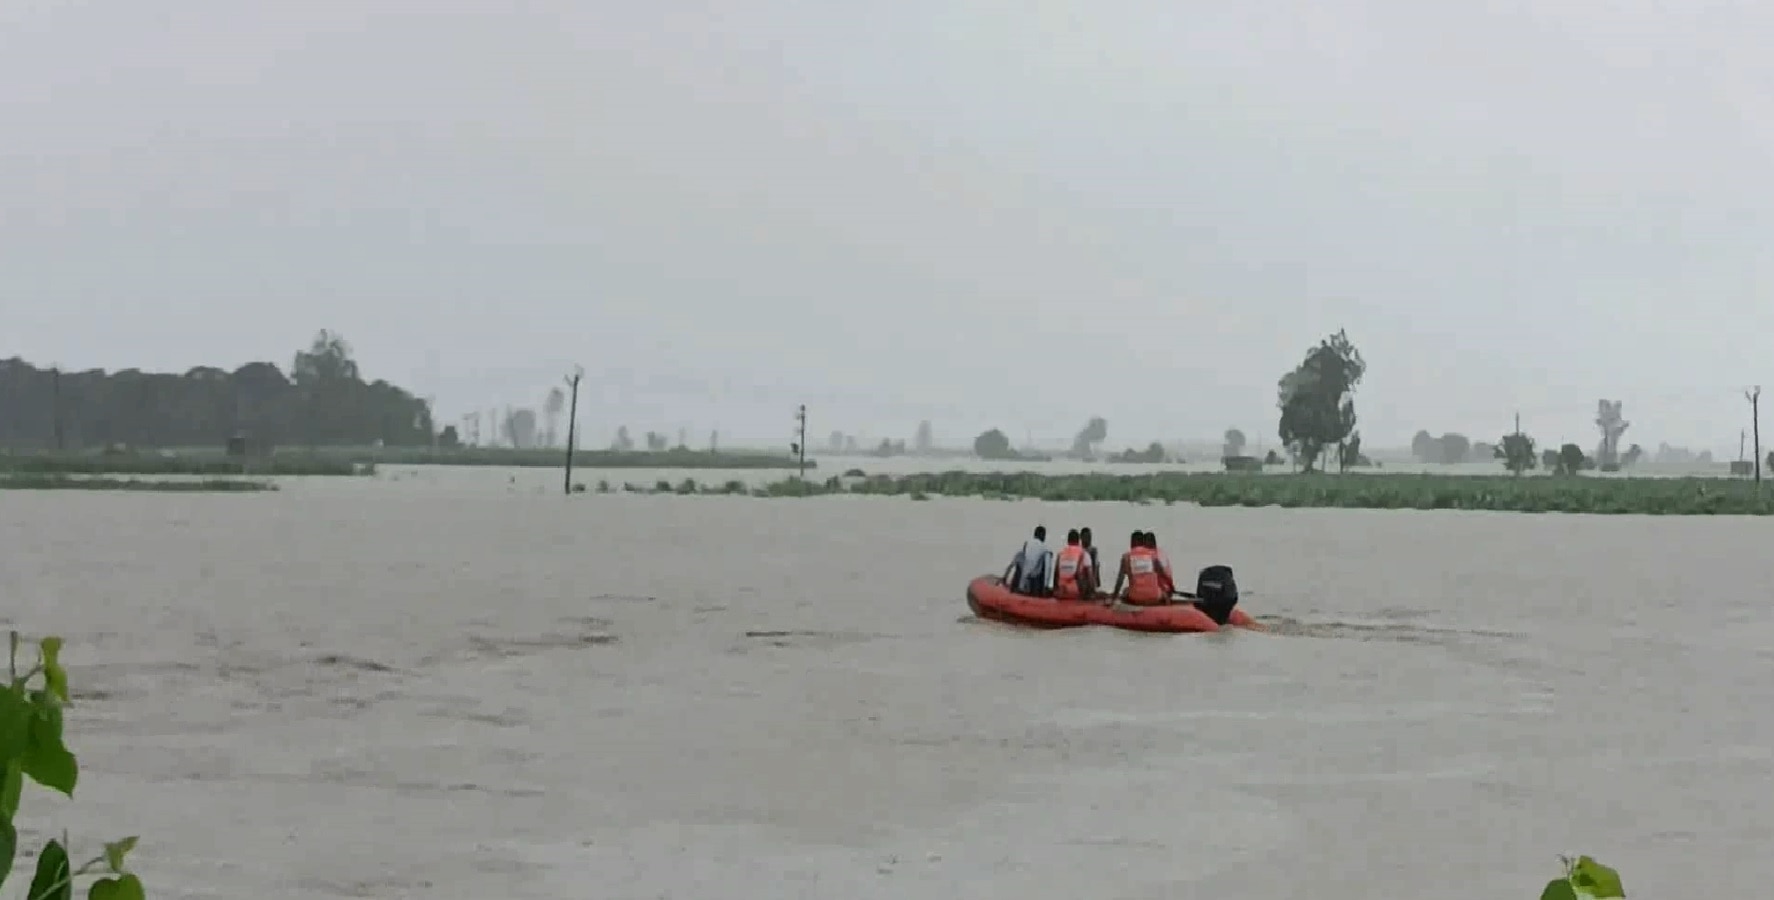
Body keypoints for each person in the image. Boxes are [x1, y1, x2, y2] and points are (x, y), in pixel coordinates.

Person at [1112, 530, 1167, 605]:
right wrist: (1170, 589)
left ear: (1131, 543)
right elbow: (1163, 574)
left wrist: (1114, 596)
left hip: (1136, 598)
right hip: (1154, 597)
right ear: (1143, 543)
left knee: (1125, 591)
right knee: (1162, 592)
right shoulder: (1153, 555)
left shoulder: (1126, 557)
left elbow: (1120, 580)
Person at [1003, 526, 1049, 595]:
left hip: (1024, 583)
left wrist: (1004, 578)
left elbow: (1010, 567)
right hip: (1023, 583)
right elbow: (1010, 567)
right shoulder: (1021, 556)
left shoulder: (1022, 556)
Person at [1052, 529, 1093, 600]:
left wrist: (1055, 590)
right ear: (1078, 541)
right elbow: (1090, 576)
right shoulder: (1083, 553)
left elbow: (1056, 574)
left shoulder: (1061, 554)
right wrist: (1092, 593)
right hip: (1076, 592)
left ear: (1068, 541)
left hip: (1061, 592)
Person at [1145, 531, 1177, 597]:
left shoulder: (1146, 556)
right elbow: (1167, 574)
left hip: (1159, 589)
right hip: (1164, 588)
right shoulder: (1161, 553)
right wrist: (1172, 587)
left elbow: (1163, 573)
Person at [1078, 527, 1100, 594]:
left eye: (1090, 537)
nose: (1089, 539)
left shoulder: (1093, 550)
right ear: (1081, 537)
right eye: (1087, 537)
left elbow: (1096, 566)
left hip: (1091, 579)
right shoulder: (1078, 550)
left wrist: (1096, 581)